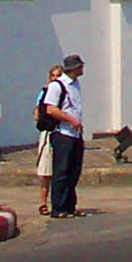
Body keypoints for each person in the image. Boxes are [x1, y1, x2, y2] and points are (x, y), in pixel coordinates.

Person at [40, 53, 88, 217]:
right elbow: (51, 109)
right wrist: (70, 120)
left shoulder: (76, 84)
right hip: (62, 133)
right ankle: (58, 207)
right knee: (61, 171)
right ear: (74, 69)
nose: (82, 69)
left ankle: (69, 205)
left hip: (75, 134)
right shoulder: (57, 86)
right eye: (80, 66)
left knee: (73, 172)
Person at [34, 62, 62, 215]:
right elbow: (37, 110)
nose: (55, 78)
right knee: (45, 171)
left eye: (58, 76)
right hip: (48, 132)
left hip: (61, 133)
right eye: (53, 76)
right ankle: (43, 203)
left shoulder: (64, 92)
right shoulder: (44, 92)